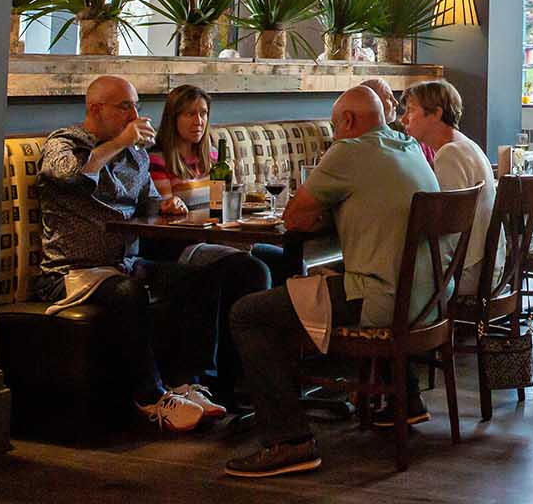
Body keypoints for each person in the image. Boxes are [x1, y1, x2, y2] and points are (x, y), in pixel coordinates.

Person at [226, 86, 441, 478]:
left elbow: (293, 218)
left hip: (380, 301)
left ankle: (289, 440)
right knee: (307, 279)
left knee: (249, 313)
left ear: (346, 121)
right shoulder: (407, 146)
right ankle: (405, 399)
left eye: (333, 124)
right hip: (427, 303)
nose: (333, 133)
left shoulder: (349, 151)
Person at [35, 75, 270, 431]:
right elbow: (73, 176)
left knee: (198, 279)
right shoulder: (65, 143)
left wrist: (168, 205)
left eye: (135, 106)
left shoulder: (135, 155)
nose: (133, 114)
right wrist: (119, 143)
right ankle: (149, 397)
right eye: (124, 106)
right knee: (127, 293)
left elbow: (149, 202)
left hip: (126, 263)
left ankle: (188, 382)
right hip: (72, 272)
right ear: (95, 109)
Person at [148, 85, 290, 282]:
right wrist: (172, 205)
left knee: (289, 261)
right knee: (255, 270)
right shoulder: (158, 159)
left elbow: (224, 203)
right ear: (173, 118)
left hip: (221, 235)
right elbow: (166, 214)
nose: (198, 121)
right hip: (183, 244)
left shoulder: (213, 156)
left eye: (203, 114)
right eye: (190, 114)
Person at [401, 80, 496, 294]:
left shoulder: (449, 154)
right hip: (487, 266)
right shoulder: (467, 145)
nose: (404, 119)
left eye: (411, 111)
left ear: (435, 113)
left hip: (467, 273)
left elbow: (447, 229)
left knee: (392, 280)